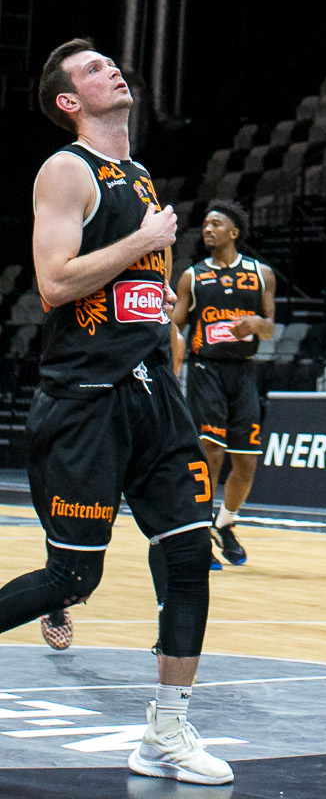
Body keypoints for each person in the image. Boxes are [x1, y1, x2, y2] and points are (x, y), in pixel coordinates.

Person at [0, 39, 229, 783]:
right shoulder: (66, 170)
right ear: (69, 102)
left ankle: (167, 733)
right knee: (73, 580)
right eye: (93, 69)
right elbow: (55, 284)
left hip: (151, 393)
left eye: (112, 64)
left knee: (189, 554)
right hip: (85, 402)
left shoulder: (139, 175)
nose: (113, 71)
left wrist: (152, 301)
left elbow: (123, 283)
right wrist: (142, 242)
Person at [171, 198, 274, 568]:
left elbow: (269, 326)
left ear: (234, 232)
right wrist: (174, 360)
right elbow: (175, 326)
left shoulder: (261, 274)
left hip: (243, 371)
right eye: (205, 224)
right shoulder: (192, 276)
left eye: (215, 224)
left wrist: (254, 325)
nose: (208, 229)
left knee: (246, 462)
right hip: (205, 370)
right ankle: (199, 533)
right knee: (211, 451)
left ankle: (225, 522)